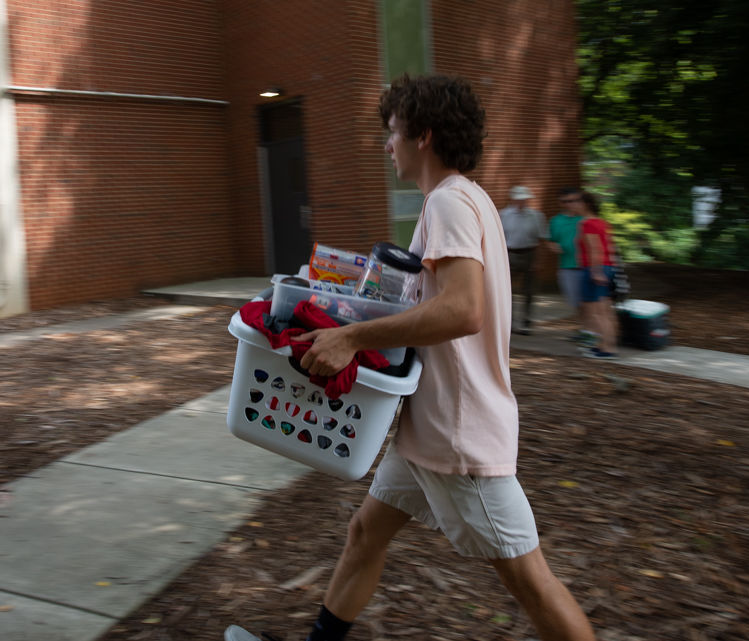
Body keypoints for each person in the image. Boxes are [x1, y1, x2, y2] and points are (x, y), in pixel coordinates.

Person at [224, 74, 596, 641]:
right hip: (432, 428)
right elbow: (435, 306)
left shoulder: (448, 201)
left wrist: (351, 339)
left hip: (458, 436)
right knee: (364, 536)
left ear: (422, 135)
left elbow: (463, 311)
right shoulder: (466, 200)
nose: (385, 144)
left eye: (391, 132)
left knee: (531, 583)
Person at [546, 186, 593, 344]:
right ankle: (585, 330)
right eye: (565, 201)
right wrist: (553, 247)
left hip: (588, 266)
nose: (569, 204)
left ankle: (591, 331)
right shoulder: (556, 221)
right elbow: (551, 241)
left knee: (589, 302)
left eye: (573, 201)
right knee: (578, 303)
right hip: (567, 267)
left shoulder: (586, 219)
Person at [575, 191, 619, 360]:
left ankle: (608, 348)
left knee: (597, 312)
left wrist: (596, 272)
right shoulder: (602, 223)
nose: (575, 206)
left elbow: (595, 249)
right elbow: (609, 247)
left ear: (586, 204)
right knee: (606, 311)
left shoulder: (588, 224)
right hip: (607, 267)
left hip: (594, 269)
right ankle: (605, 344)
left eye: (578, 202)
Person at [499, 185, 546, 335]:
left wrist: (538, 261)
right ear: (512, 199)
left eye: (524, 199)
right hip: (510, 253)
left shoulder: (536, 216)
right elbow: (498, 238)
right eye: (519, 199)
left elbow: (541, 240)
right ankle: (510, 322)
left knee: (529, 290)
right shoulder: (503, 215)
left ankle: (526, 321)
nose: (522, 202)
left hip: (529, 253)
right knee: (508, 291)